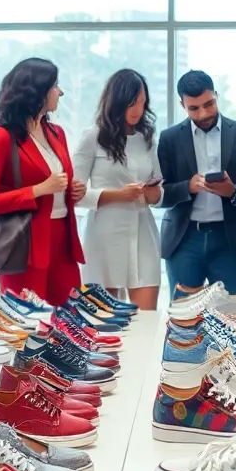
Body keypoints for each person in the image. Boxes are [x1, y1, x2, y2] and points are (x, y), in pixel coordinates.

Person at [0, 57, 84, 306]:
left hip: (62, 241)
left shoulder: (57, 133)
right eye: (55, 86)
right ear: (38, 91)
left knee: (69, 321)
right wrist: (38, 190)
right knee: (28, 326)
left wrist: (72, 191)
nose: (61, 92)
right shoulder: (2, 138)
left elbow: (58, 185)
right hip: (24, 245)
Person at [157, 70, 236, 299]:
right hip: (183, 240)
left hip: (229, 238)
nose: (204, 113)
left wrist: (233, 191)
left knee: (232, 316)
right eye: (194, 108)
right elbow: (159, 195)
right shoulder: (169, 138)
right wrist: (187, 187)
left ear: (216, 95)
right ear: (182, 105)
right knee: (183, 319)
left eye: (209, 104)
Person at [70, 69, 162, 310]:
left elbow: (158, 187)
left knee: (146, 319)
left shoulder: (147, 137)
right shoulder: (93, 136)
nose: (138, 110)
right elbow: (74, 196)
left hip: (143, 232)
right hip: (105, 235)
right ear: (118, 100)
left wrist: (154, 194)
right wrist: (117, 195)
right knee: (104, 323)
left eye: (142, 103)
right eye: (132, 103)